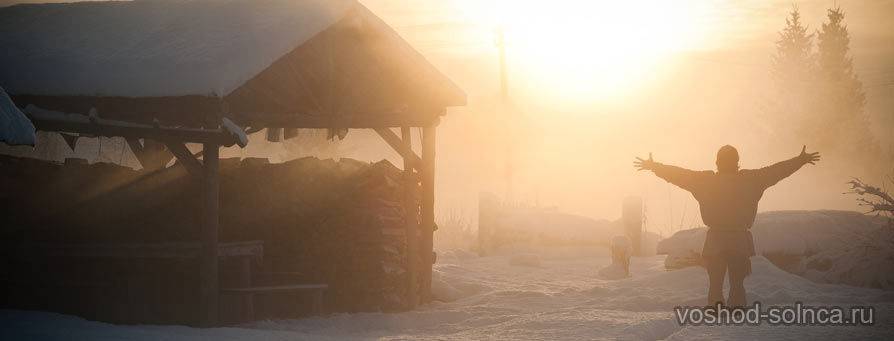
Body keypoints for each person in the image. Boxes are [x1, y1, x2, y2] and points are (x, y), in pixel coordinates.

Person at [633, 145, 820, 309]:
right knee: (737, 283)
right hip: (740, 240)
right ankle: (737, 308)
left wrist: (654, 167)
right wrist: (800, 160)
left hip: (716, 240)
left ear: (717, 162)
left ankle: (715, 308)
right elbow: (777, 171)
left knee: (715, 282)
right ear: (737, 161)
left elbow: (679, 175)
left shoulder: (705, 181)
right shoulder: (752, 179)